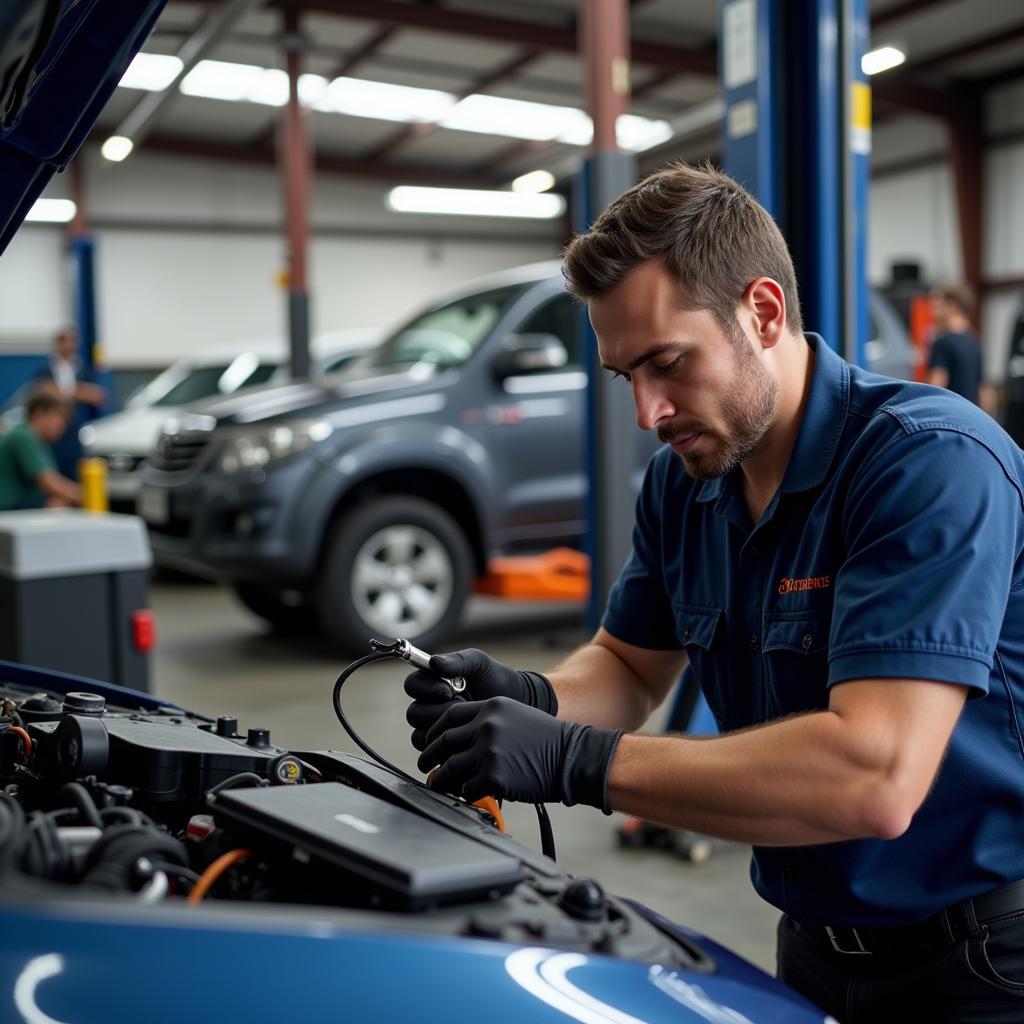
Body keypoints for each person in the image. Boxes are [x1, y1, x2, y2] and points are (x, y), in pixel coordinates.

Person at [405, 163, 1024, 1023]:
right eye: (627, 376)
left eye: (666, 363)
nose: (648, 412)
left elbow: (873, 777)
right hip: (809, 944)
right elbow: (629, 662)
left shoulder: (929, 463)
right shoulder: (685, 482)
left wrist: (574, 761)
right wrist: (537, 700)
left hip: (984, 965)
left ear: (763, 313)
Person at [33, 326, 106, 478]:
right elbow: (40, 391)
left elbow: (98, 395)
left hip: (75, 430)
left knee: (75, 469)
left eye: (73, 342)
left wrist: (63, 392)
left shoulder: (83, 368)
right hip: (51, 437)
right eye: (65, 342)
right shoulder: (44, 368)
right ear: (58, 344)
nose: (70, 346)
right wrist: (79, 392)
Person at [0, 391, 83, 509]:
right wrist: (87, 496)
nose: (63, 424)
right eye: (58, 416)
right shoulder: (22, 436)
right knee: (58, 505)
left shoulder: (37, 441)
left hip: (17, 506)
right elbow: (51, 483)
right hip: (6, 508)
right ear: (39, 414)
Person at [927, 281, 994, 412]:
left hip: (950, 417)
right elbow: (984, 390)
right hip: (970, 417)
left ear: (951, 306)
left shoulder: (943, 343)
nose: (932, 312)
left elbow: (935, 386)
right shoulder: (974, 341)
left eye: (936, 306)